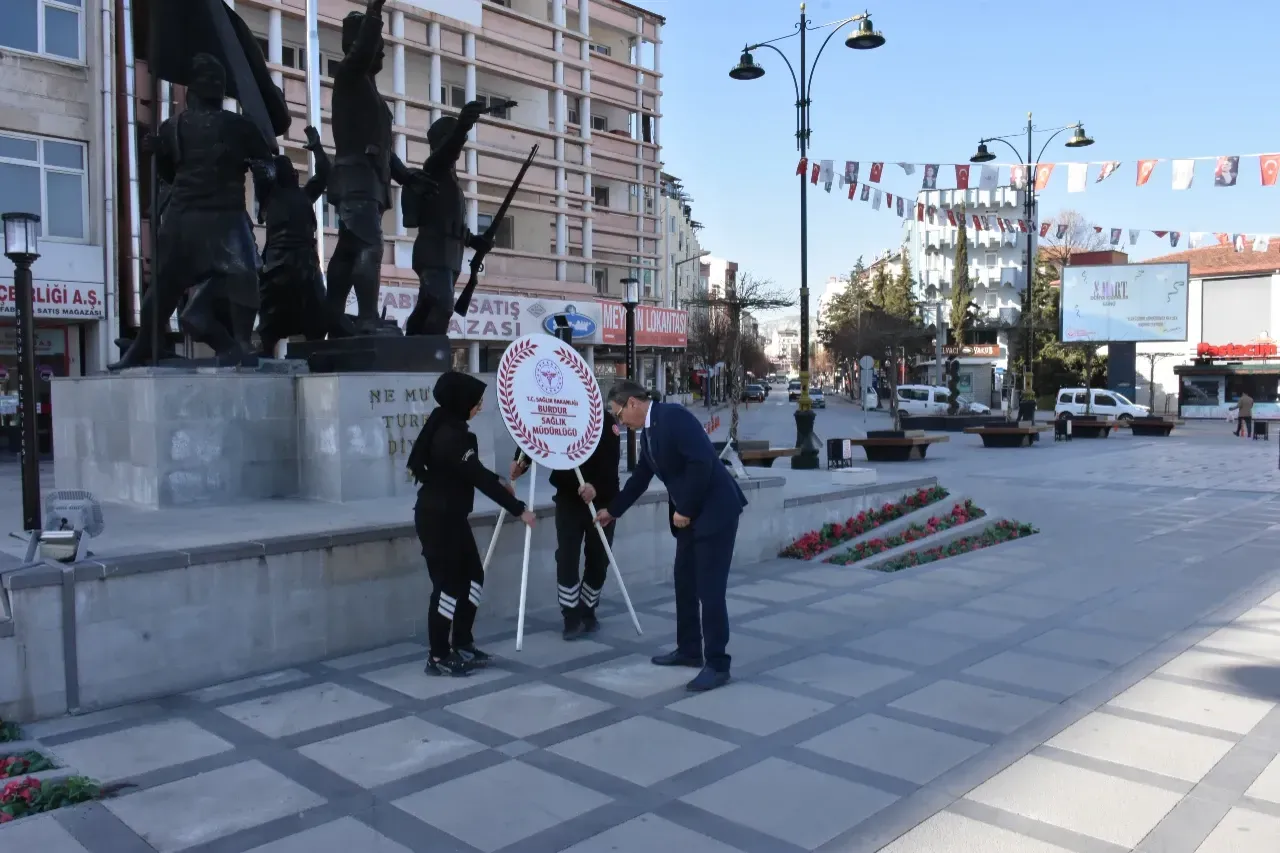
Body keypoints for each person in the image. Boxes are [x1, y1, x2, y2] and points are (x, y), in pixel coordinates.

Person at [108, 53, 273, 370]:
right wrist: (157, 152)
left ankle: (239, 344)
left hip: (226, 215)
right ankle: (143, 346)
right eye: (206, 78)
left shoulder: (240, 126)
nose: (212, 84)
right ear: (191, 88)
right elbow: (170, 175)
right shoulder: (172, 127)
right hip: (185, 218)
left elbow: (267, 164)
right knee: (164, 285)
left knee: (244, 275)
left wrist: (264, 189)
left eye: (217, 79)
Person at [596, 380, 747, 692]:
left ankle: (718, 664)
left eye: (619, 414)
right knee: (684, 581)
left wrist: (687, 508)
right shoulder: (649, 432)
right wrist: (613, 510)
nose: (620, 423)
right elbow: (640, 477)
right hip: (691, 518)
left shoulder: (673, 418)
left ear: (633, 403)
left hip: (714, 512)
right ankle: (690, 649)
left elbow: (702, 461)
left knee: (710, 590)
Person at [408, 372, 535, 676]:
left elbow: (474, 471)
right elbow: (476, 476)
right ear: (461, 403)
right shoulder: (451, 436)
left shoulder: (451, 427)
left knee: (473, 576)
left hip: (452, 516)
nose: (480, 407)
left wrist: (500, 481)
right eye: (476, 402)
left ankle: (462, 642)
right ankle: (438, 656)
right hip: (437, 519)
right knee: (447, 585)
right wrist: (518, 509)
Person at [326, 0, 433, 336]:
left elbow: (383, 152)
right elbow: (361, 52)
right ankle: (367, 317)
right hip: (356, 180)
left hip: (366, 182)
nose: (382, 54)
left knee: (348, 250)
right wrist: (375, 11)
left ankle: (331, 313)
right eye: (378, 47)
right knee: (369, 246)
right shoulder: (350, 76)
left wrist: (408, 176)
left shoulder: (369, 91)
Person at [510, 410, 621, 640]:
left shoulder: (605, 421)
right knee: (567, 556)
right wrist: (522, 462)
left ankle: (588, 609)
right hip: (569, 497)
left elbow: (611, 466)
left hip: (601, 501)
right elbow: (537, 434)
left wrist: (596, 488)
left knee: (599, 558)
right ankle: (571, 615)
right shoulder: (559, 411)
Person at [253, 126, 350, 355]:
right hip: (278, 264)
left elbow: (325, 173)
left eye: (293, 171)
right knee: (272, 313)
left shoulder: (305, 194)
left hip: (305, 264)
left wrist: (316, 147)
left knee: (315, 312)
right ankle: (266, 347)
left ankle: (314, 348)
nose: (294, 174)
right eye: (288, 171)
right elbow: (259, 173)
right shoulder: (270, 196)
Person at [403, 102, 493, 336]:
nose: (459, 145)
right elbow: (447, 152)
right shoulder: (433, 168)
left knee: (427, 306)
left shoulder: (452, 182)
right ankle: (429, 354)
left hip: (450, 256)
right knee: (443, 306)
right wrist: (461, 129)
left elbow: (454, 226)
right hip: (433, 253)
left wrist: (476, 241)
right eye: (452, 137)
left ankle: (411, 343)